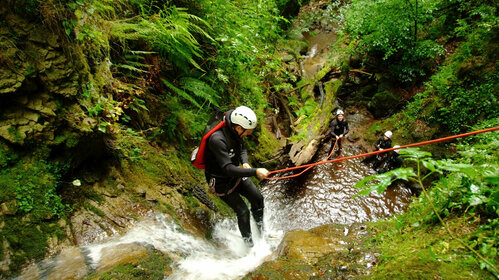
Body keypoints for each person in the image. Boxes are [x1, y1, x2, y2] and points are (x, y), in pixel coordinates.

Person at [204, 106, 269, 247]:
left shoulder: (235, 132)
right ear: (239, 127)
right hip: (220, 182)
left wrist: (245, 163)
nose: (249, 134)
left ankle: (262, 233)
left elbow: (242, 148)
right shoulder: (217, 140)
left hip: (236, 175)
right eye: (248, 132)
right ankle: (250, 246)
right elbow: (228, 169)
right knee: (243, 211)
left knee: (257, 198)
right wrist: (254, 171)